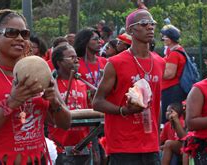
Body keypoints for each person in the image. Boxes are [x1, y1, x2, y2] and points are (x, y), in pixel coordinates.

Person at [0, 9, 71, 164]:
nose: (20, 38)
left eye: (25, 34)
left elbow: (64, 124)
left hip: (38, 160)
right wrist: (11, 103)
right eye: (11, 33)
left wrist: (55, 102)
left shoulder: (40, 71)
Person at [92, 9, 165, 165]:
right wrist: (123, 110)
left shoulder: (160, 62)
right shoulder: (115, 63)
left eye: (152, 24)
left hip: (151, 146)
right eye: (144, 24)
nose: (150, 27)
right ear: (131, 30)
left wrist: (157, 139)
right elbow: (97, 102)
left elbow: (157, 102)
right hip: (123, 146)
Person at [49, 45, 91, 164]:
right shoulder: (52, 86)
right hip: (60, 148)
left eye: (77, 57)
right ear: (59, 62)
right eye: (71, 57)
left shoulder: (82, 84)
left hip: (83, 147)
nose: (76, 60)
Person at [160, 26, 187, 124]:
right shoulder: (177, 50)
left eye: (165, 36)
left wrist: (156, 72)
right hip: (173, 89)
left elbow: (169, 74)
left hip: (171, 90)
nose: (163, 39)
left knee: (168, 118)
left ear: (170, 39)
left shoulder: (174, 54)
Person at [74, 28, 107, 103]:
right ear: (85, 42)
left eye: (99, 39)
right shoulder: (76, 64)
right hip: (84, 109)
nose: (100, 42)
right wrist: (88, 91)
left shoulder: (105, 62)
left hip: (102, 106)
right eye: (95, 39)